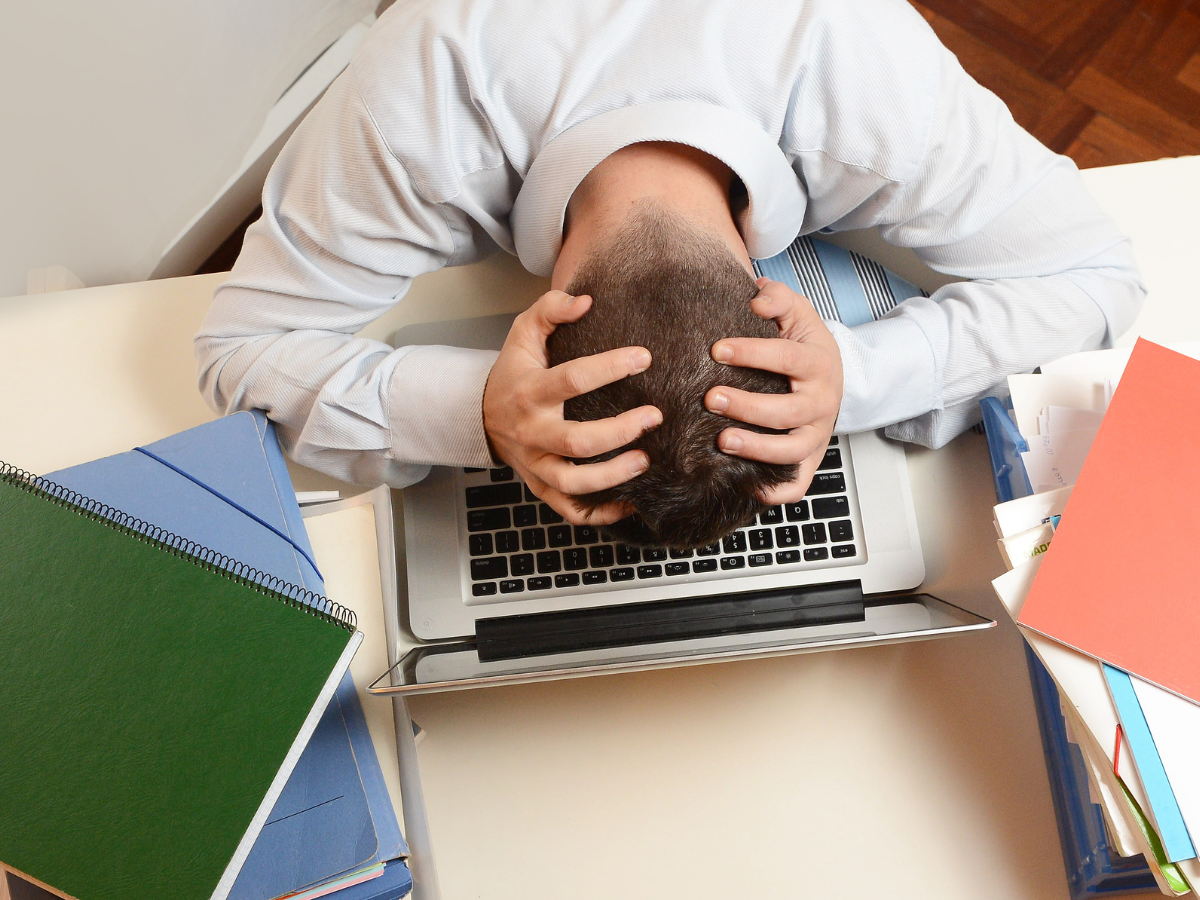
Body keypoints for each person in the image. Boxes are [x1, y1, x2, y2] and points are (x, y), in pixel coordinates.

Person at [195, 0, 1144, 529]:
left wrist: (852, 379)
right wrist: (479, 411)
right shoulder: (414, 104)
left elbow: (1100, 277)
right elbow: (233, 347)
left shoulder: (865, 69)